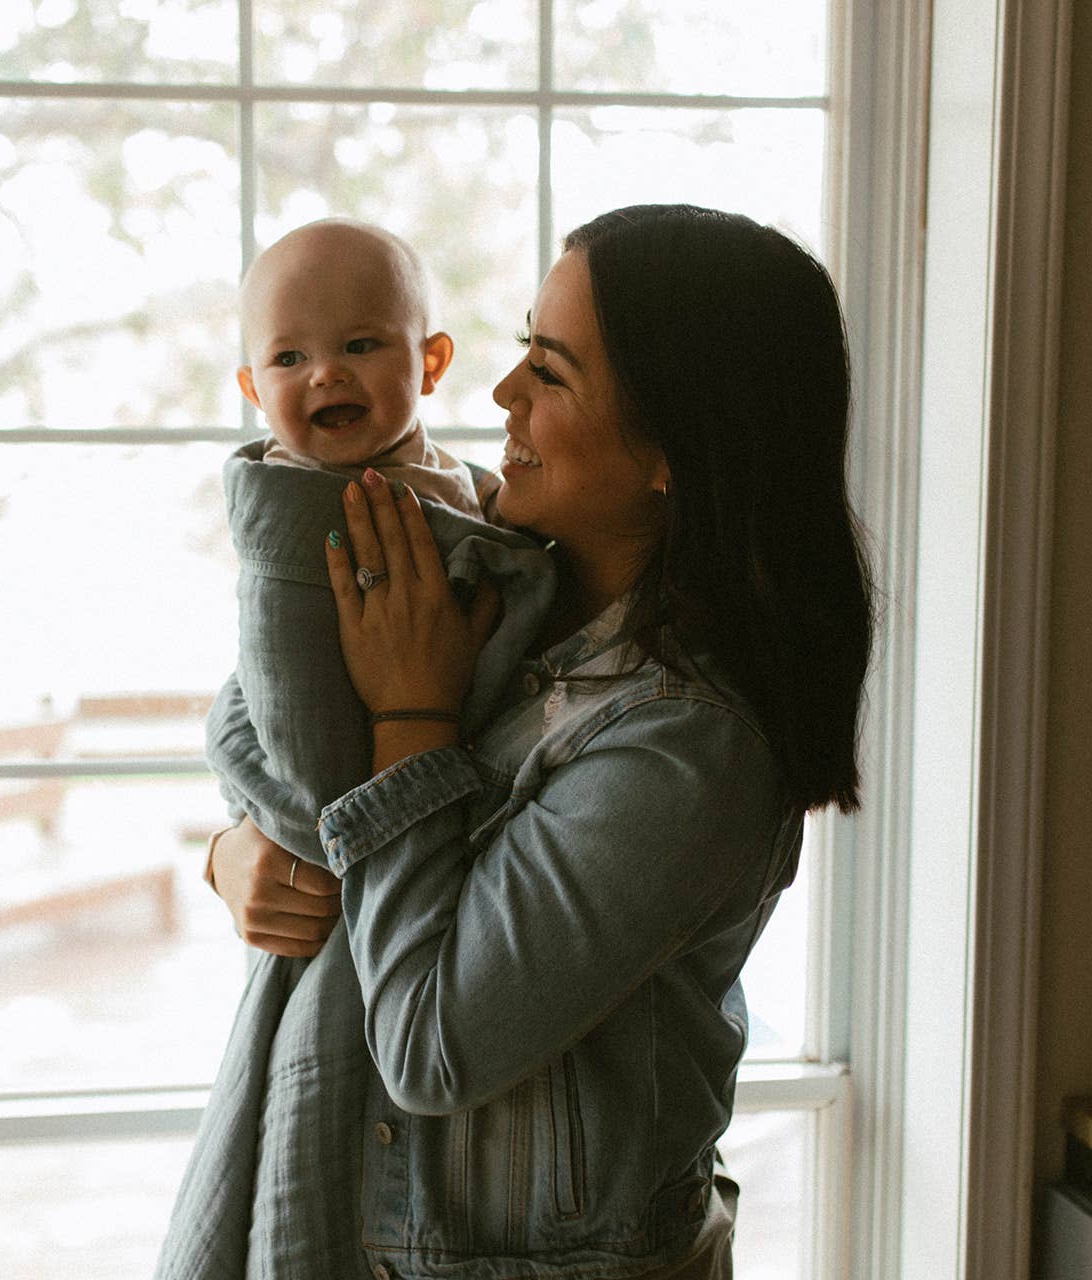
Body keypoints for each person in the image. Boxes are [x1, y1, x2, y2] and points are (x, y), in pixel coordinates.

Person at [163, 204, 873, 1279]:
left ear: (673, 446)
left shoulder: (684, 745)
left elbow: (428, 1045)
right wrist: (244, 852)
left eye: (549, 370)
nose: (500, 396)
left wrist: (412, 716)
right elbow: (269, 698)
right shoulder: (498, 571)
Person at [154, 220, 556, 1279]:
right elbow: (277, 714)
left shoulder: (461, 491)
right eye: (288, 357)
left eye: (361, 345)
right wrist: (243, 836)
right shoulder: (299, 517)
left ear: (429, 362)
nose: (323, 372)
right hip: (357, 871)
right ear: (251, 387)